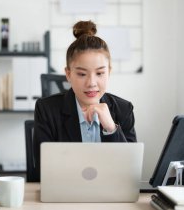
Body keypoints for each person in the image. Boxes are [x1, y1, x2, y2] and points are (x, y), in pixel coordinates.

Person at [33, 20, 137, 180]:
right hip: (65, 197)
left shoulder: (124, 109)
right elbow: (45, 171)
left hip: (109, 198)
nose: (91, 83)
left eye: (100, 73)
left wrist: (111, 128)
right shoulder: (47, 109)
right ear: (68, 74)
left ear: (109, 72)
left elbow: (129, 173)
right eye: (82, 74)